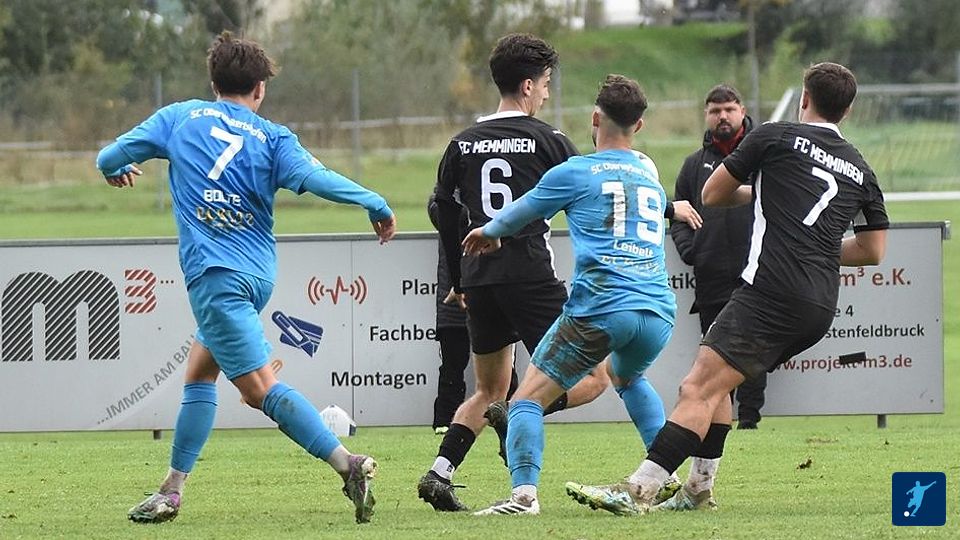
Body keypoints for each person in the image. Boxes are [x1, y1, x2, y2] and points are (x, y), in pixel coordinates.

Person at [96, 32, 396, 525]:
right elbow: (318, 179)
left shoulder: (178, 117)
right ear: (260, 89)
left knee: (259, 389)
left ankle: (348, 464)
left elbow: (107, 158)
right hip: (256, 276)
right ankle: (171, 489)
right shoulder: (274, 137)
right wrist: (375, 202)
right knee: (200, 373)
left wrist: (119, 166)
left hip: (215, 276)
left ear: (213, 83)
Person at [565, 62, 888, 515]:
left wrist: (765, 197)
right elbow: (873, 250)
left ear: (804, 98)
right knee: (717, 386)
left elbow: (712, 195)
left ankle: (638, 489)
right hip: (819, 304)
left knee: (695, 387)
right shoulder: (861, 169)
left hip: (771, 291)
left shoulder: (776, 136)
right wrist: (812, 247)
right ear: (848, 110)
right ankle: (698, 489)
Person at [465, 74, 677, 515]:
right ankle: (664, 476)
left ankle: (523, 497)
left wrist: (489, 231)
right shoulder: (648, 172)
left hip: (604, 305)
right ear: (639, 126)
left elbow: (524, 209)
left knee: (525, 400)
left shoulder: (576, 172)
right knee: (628, 378)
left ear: (595, 119)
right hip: (657, 309)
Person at [417, 33, 612, 513]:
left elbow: (444, 213)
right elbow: (595, 191)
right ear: (527, 86)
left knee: (488, 388)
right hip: (529, 277)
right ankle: (521, 411)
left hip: (479, 280)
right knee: (595, 377)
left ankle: (439, 473)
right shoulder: (550, 140)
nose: (546, 93)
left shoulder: (461, 144)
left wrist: (457, 282)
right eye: (544, 84)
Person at [670, 84, 767, 429]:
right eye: (715, 111)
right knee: (715, 353)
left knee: (753, 349)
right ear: (706, 115)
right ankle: (717, 422)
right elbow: (678, 214)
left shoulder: (764, 157)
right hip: (710, 276)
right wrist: (691, 250)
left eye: (729, 109)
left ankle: (750, 419)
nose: (722, 116)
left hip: (755, 272)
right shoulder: (693, 165)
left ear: (742, 111)